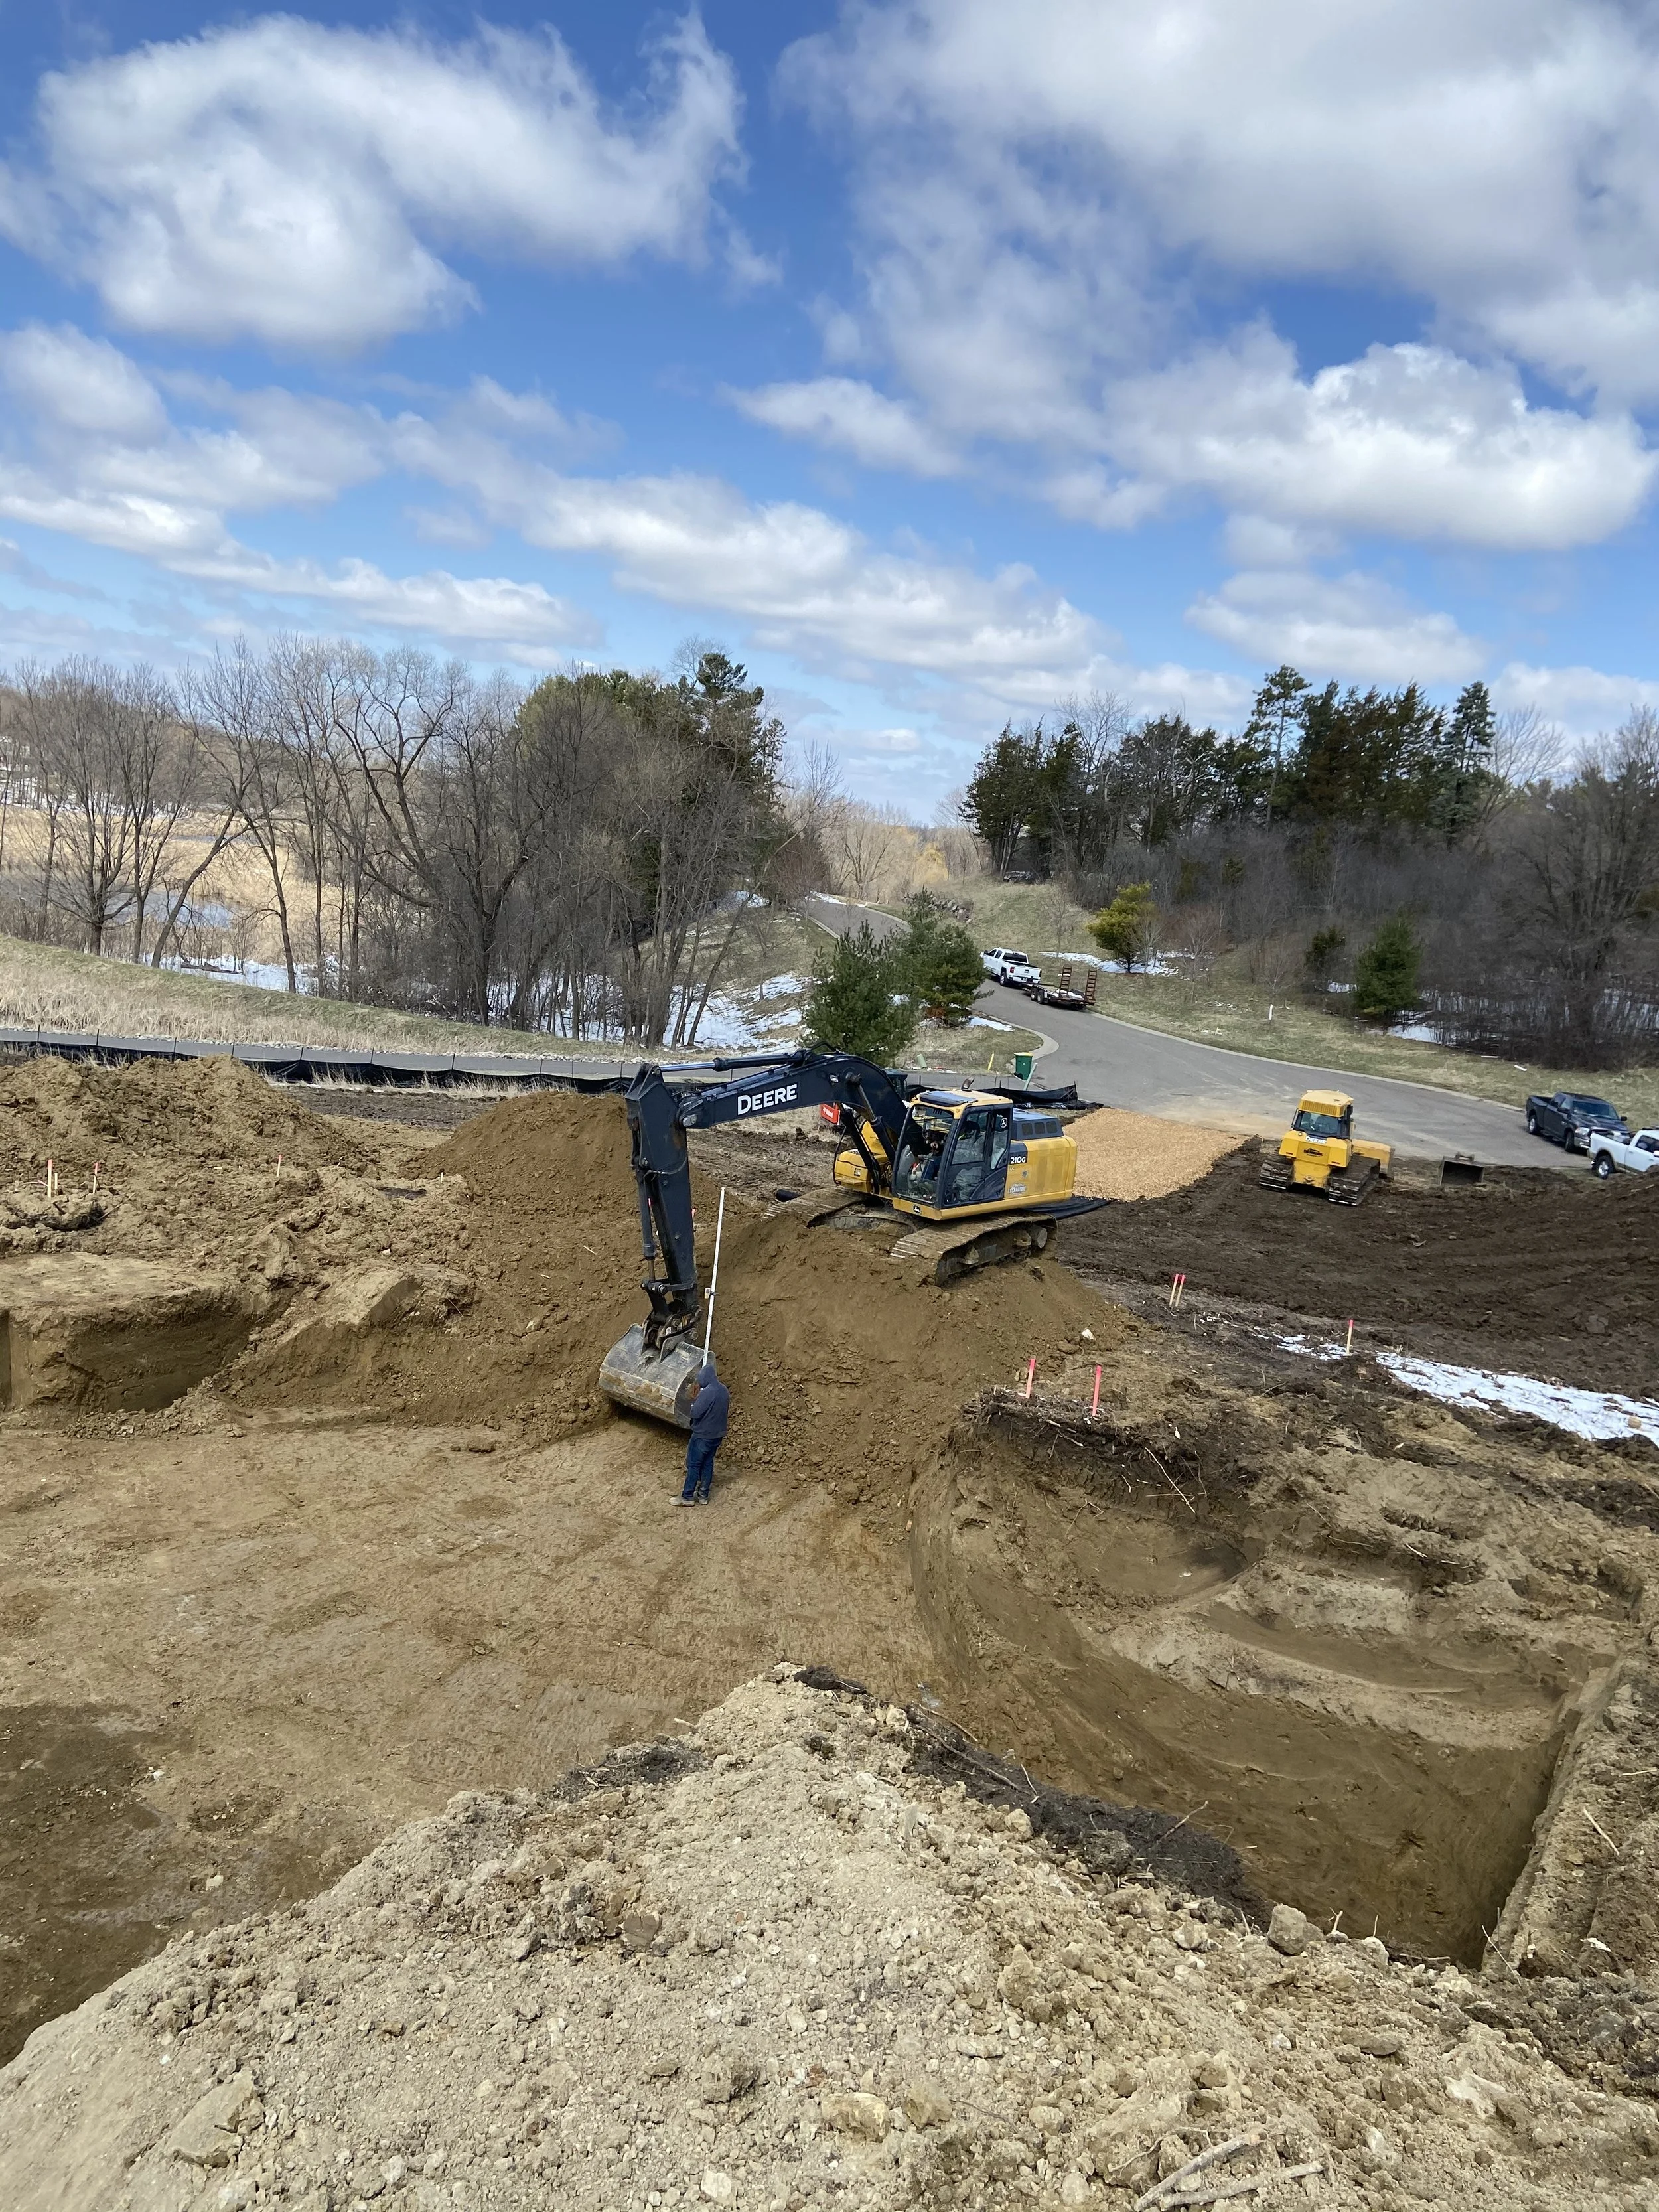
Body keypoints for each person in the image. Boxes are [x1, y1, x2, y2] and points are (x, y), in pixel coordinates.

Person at [678, 1359, 729, 1505]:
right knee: (708, 1463)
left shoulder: (708, 1393)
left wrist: (695, 1400)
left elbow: (695, 1413)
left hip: (702, 1435)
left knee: (694, 1464)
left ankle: (687, 1496)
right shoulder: (723, 1390)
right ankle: (703, 1495)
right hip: (717, 1435)